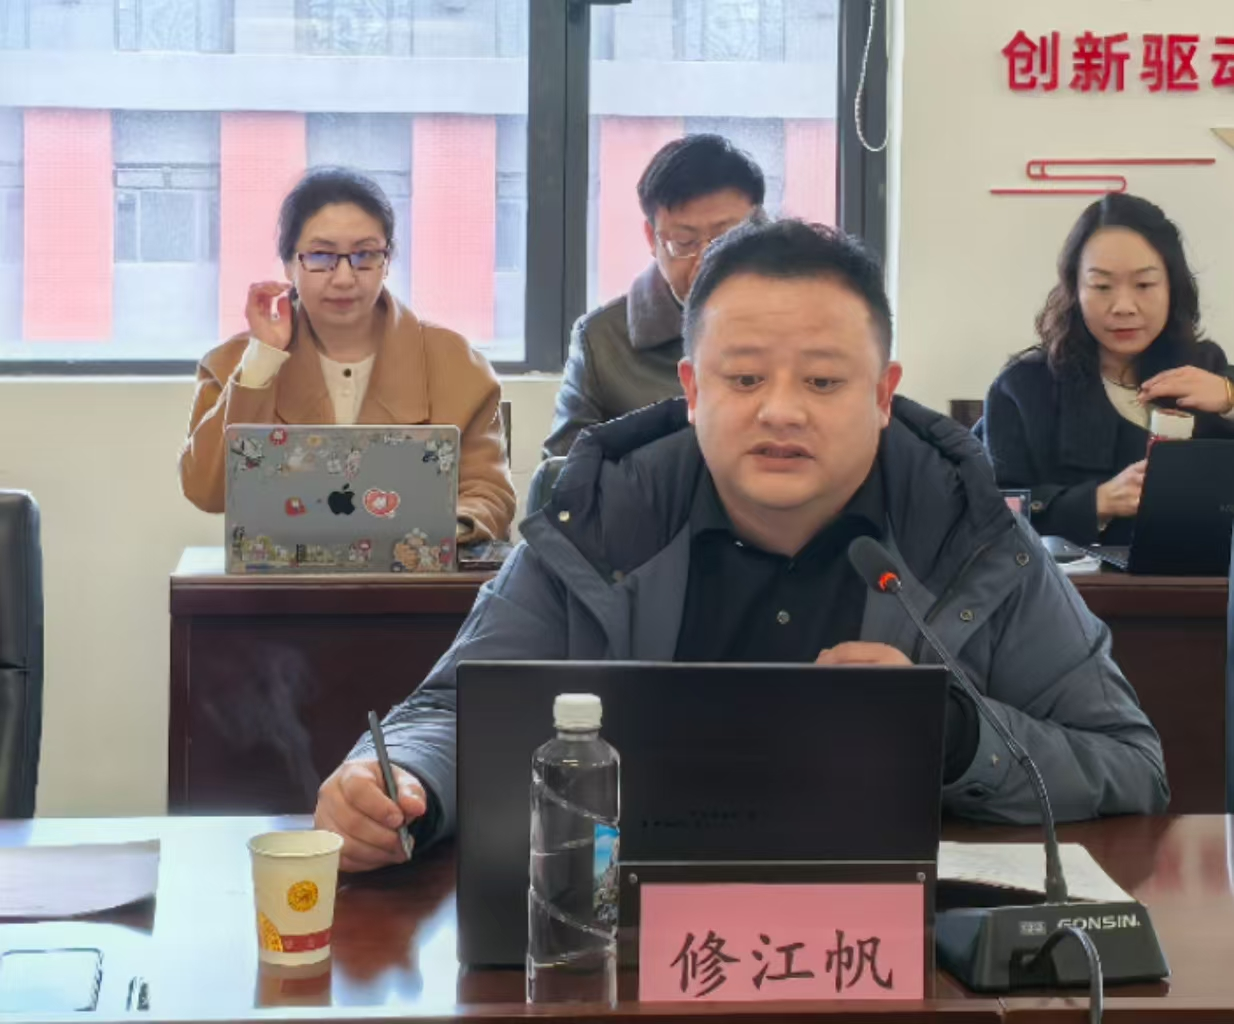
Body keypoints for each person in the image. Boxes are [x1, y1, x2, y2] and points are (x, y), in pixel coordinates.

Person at [316, 219, 1167, 873]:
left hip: (890, 950)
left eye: (824, 381)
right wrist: (399, 785)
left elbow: (1130, 764)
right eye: (745, 378)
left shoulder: (966, 530)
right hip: (626, 933)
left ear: (883, 394)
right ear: (692, 389)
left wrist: (951, 733)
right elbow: (447, 713)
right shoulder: (602, 517)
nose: (781, 411)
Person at [178, 167, 516, 544]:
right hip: (285, 576)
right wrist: (262, 360)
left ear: (387, 262)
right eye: (321, 256)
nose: (343, 278)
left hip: (417, 569)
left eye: (365, 255)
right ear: (289, 264)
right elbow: (207, 492)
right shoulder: (234, 364)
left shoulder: (458, 366)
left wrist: (432, 536)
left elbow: (489, 494)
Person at [983, 193, 1234, 547]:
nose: (1123, 306)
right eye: (1101, 286)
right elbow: (994, 511)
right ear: (1074, 289)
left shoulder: (1206, 366)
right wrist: (1096, 503)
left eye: (1144, 285)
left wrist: (1229, 398)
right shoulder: (1023, 387)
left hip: (1201, 578)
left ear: (1172, 288)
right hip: (1069, 581)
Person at [542, 134, 765, 457]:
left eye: (726, 239)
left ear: (760, 230)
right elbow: (563, 475)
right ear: (651, 238)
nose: (708, 261)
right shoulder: (603, 343)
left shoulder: (809, 320)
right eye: (684, 243)